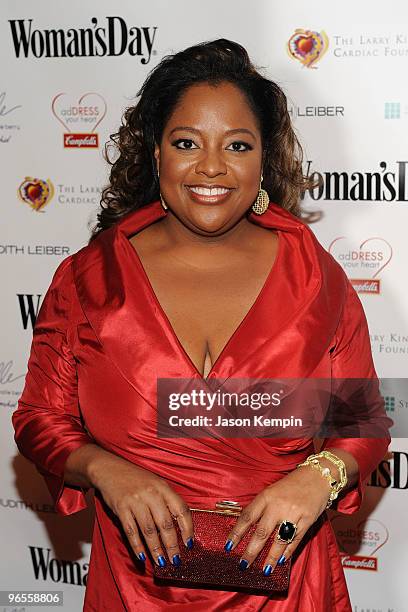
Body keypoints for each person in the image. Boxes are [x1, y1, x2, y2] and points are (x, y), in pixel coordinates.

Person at [12, 39, 391, 611]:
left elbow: (363, 424)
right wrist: (103, 468)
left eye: (237, 145)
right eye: (186, 142)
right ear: (156, 151)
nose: (211, 166)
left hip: (286, 590)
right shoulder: (89, 280)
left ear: (264, 158)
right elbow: (41, 418)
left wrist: (318, 479)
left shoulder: (315, 278)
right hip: (133, 592)